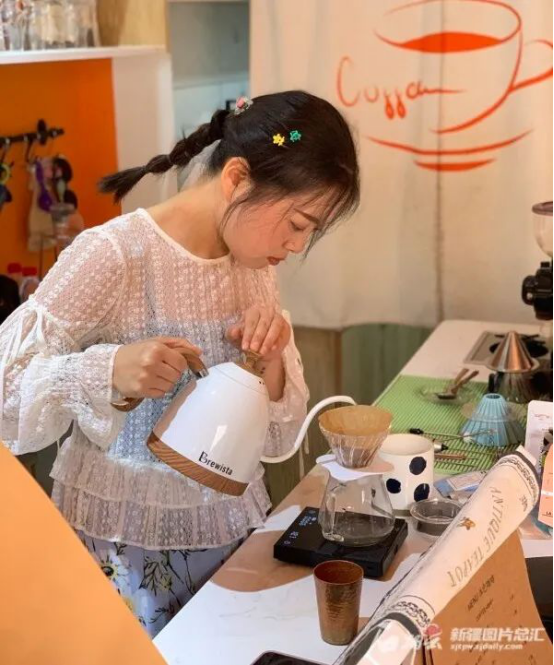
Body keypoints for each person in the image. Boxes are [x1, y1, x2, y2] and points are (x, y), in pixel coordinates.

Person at [0, 91, 360, 637]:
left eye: (312, 231)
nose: (297, 244)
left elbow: (273, 437)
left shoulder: (254, 263)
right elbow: (6, 389)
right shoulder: (115, 254)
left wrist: (269, 362)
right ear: (237, 179)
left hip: (231, 533)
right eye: (297, 222)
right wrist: (108, 370)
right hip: (122, 545)